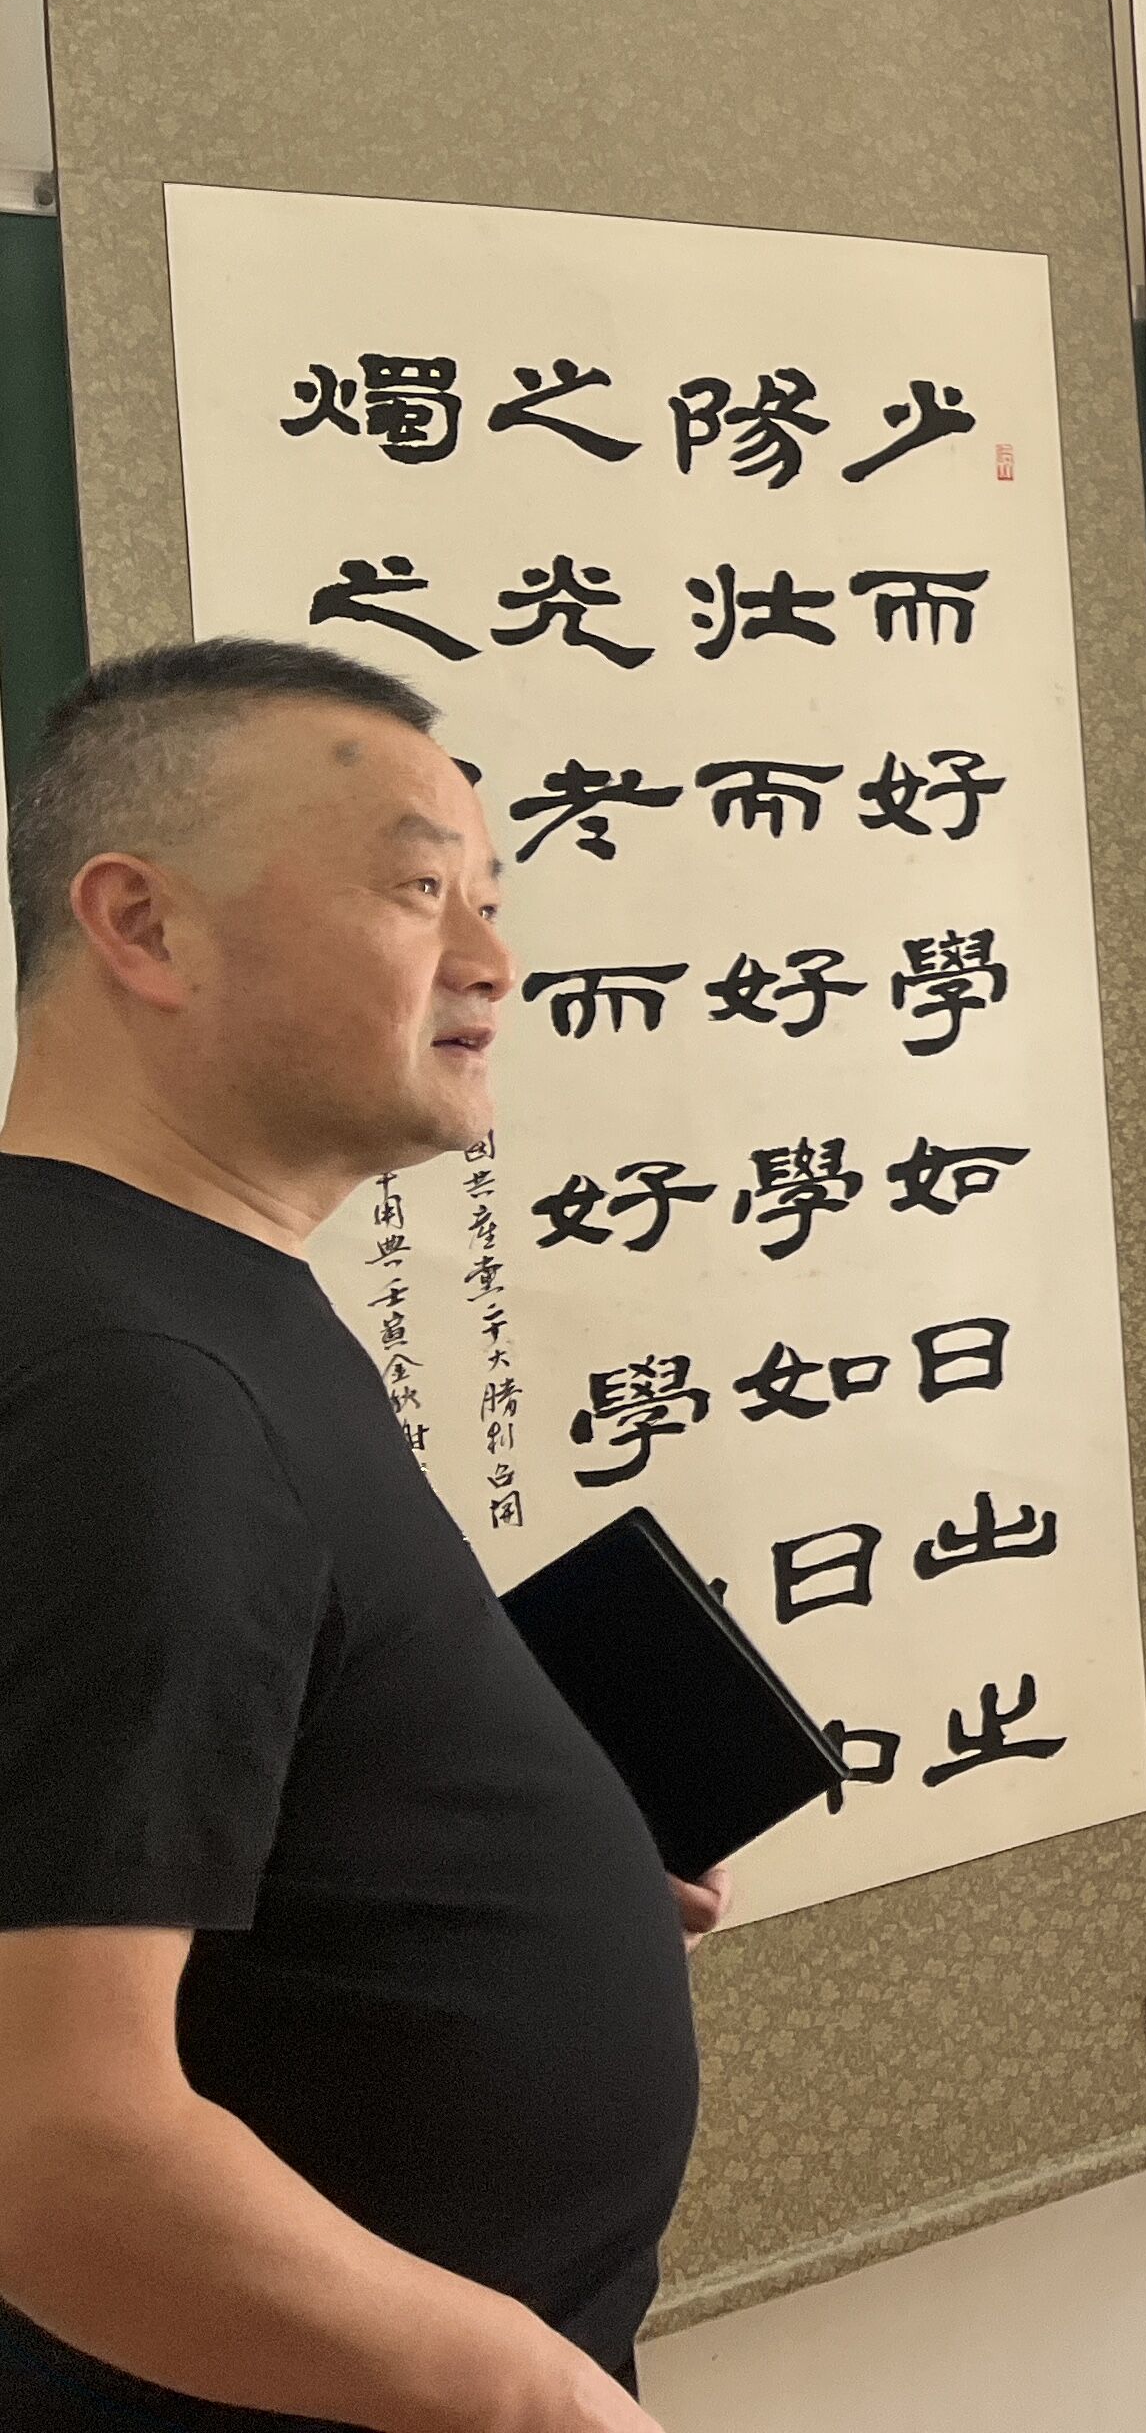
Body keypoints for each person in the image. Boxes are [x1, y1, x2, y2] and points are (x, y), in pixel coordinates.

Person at [0, 641, 715, 2432]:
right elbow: (52, 2141)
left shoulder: (168, 1291)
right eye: (418, 890)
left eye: (494, 899)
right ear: (145, 927)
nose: (493, 960)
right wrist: (538, 2399)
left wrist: (490, 1878)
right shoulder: (132, 1381)